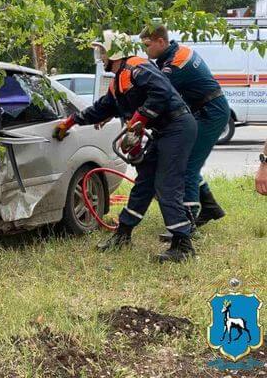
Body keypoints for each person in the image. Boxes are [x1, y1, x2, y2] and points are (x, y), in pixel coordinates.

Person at [54, 30, 198, 263]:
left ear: (115, 52)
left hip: (179, 127)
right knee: (144, 183)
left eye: (103, 52)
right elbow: (102, 108)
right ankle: (123, 234)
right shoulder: (119, 80)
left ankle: (183, 244)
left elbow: (160, 93)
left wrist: (137, 121)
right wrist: (70, 122)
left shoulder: (136, 68)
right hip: (165, 131)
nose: (100, 57)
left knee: (166, 183)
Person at [140, 25, 229, 239]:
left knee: (186, 166)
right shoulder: (174, 54)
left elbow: (158, 95)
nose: (145, 51)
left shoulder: (176, 64)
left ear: (161, 42)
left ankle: (187, 224)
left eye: (147, 45)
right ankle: (209, 207)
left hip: (210, 112)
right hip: (204, 110)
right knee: (189, 162)